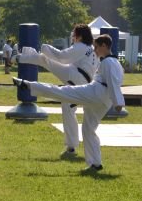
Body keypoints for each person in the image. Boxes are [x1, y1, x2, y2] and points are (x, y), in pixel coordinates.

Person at [13, 34, 124, 171]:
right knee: (88, 130)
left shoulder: (109, 62)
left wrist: (118, 102)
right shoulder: (114, 63)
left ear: (104, 46)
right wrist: (114, 101)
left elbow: (113, 83)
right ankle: (95, 164)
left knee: (63, 92)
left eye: (96, 47)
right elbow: (115, 82)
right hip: (101, 99)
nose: (94, 50)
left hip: (97, 92)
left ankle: (29, 85)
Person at [12, 24, 98, 156]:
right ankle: (71, 147)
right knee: (68, 109)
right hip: (82, 82)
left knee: (46, 59)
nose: (72, 36)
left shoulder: (81, 46)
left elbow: (61, 57)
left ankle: (20, 57)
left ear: (80, 36)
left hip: (74, 76)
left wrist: (45, 47)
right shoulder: (90, 48)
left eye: (74, 34)